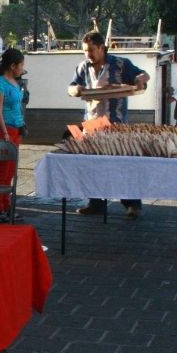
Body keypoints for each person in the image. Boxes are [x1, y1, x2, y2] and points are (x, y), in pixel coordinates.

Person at [67, 30, 151, 220]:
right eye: (85, 51)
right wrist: (76, 90)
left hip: (116, 124)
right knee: (93, 165)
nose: (88, 55)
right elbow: (71, 86)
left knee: (122, 165)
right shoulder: (82, 67)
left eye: (91, 50)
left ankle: (132, 205)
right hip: (92, 124)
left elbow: (144, 75)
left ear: (102, 48)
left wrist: (139, 81)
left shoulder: (121, 64)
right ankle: (96, 203)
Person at [0, 48, 26, 223]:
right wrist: (4, 133)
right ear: (12, 65)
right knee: (1, 170)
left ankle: (6, 204)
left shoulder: (14, 82)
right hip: (1, 129)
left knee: (10, 171)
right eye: (21, 65)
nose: (22, 68)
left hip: (15, 128)